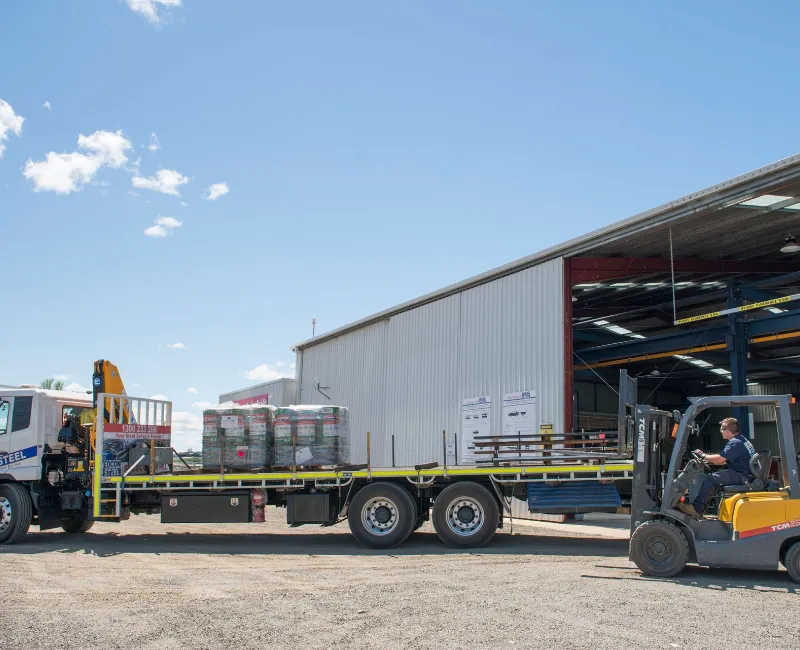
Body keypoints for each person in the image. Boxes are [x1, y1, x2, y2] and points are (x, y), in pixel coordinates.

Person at [677, 417, 756, 518]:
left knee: (711, 478)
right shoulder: (741, 440)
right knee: (715, 478)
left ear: (728, 431)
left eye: (722, 429)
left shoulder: (734, 443)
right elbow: (723, 460)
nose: (721, 432)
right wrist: (708, 460)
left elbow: (721, 459)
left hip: (741, 476)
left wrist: (702, 455)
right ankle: (700, 509)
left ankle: (696, 509)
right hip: (744, 474)